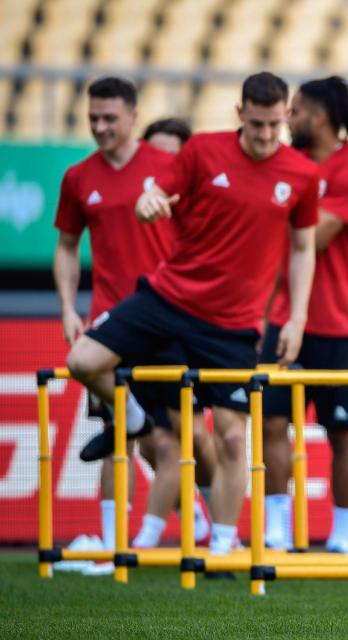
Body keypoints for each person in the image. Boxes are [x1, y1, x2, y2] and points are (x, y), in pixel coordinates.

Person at [66, 72, 319, 556]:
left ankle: (222, 545)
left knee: (228, 438)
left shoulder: (301, 174)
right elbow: (154, 193)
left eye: (274, 125)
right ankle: (136, 420)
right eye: (257, 124)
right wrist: (148, 203)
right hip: (168, 298)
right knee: (83, 362)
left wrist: (297, 317)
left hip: (233, 324)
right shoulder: (202, 151)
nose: (266, 136)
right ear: (240, 114)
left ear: (286, 116)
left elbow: (303, 247)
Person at [53, 79, 206, 574]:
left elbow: (202, 232)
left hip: (164, 318)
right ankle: (112, 541)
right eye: (93, 117)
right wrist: (67, 307)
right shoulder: (78, 177)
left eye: (109, 118)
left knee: (175, 438)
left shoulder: (168, 169)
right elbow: (66, 246)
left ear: (133, 116)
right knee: (117, 440)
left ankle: (196, 526)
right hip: (107, 323)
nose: (99, 127)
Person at [260, 77, 348, 554]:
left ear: (321, 116)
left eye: (296, 110)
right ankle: (277, 532)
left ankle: (343, 537)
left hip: (337, 324)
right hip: (282, 318)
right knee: (270, 423)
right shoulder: (285, 165)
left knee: (342, 429)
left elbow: (310, 237)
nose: (288, 119)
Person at [132, 116, 218, 551]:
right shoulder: (137, 195)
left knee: (192, 436)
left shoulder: (201, 200)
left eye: (172, 153)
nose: (162, 162)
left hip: (181, 324)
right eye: (155, 152)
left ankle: (219, 518)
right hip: (134, 324)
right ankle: (199, 517)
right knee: (148, 442)